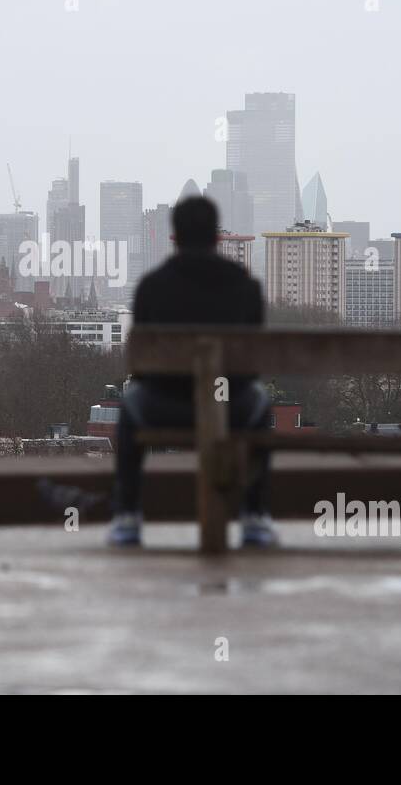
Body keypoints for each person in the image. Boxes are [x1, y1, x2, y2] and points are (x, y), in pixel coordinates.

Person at [108, 196, 277, 548]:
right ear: (217, 238)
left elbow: (139, 367)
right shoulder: (245, 286)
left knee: (129, 404)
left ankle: (127, 515)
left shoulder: (152, 287)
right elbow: (252, 365)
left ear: (175, 237)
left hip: (163, 405)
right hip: (231, 405)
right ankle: (254, 516)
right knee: (261, 401)